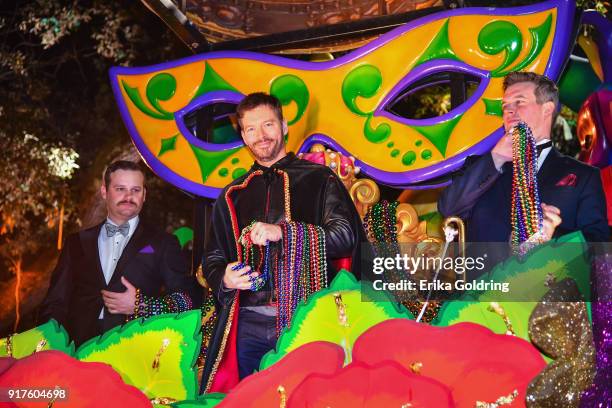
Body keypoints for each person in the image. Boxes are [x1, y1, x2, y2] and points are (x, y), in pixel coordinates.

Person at [201, 93, 367, 393]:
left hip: (305, 320)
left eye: (268, 124)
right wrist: (224, 277)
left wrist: (285, 233)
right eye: (250, 129)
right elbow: (213, 258)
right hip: (247, 325)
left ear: (284, 126)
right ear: (242, 135)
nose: (260, 135)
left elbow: (346, 236)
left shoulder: (319, 179)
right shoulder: (231, 195)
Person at [438, 71, 608, 245]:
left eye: (519, 102)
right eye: (505, 106)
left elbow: (600, 246)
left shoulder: (585, 175)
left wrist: (553, 237)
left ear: (547, 109)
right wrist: (496, 158)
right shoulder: (479, 167)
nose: (509, 110)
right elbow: (448, 209)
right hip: (484, 271)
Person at [39, 160, 197, 346]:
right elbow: (55, 302)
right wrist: (48, 346)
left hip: (133, 351)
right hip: (75, 350)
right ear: (104, 192)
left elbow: (188, 300)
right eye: (120, 189)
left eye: (136, 190)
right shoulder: (76, 243)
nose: (128, 196)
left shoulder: (164, 243)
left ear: (144, 195)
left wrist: (141, 305)